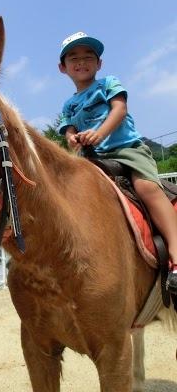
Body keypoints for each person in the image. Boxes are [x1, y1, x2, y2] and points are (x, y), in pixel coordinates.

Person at [57, 31, 177, 294]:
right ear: (62, 68)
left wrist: (99, 133)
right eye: (74, 58)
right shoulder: (68, 105)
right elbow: (68, 132)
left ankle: (176, 255)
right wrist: (74, 140)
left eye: (89, 57)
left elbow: (119, 110)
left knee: (147, 188)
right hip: (93, 159)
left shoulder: (108, 83)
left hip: (126, 150)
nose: (82, 62)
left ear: (99, 64)